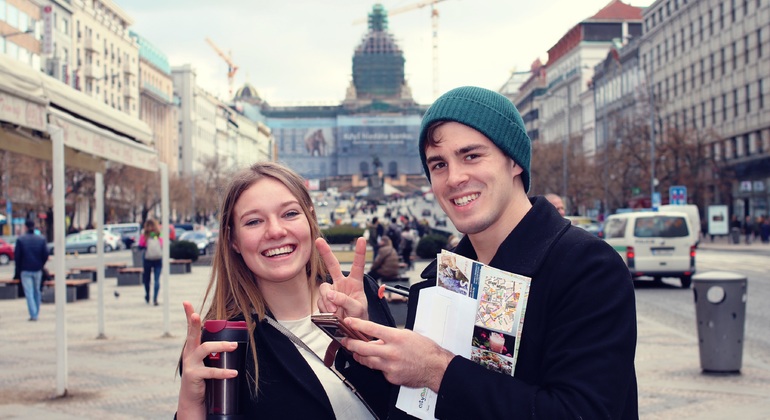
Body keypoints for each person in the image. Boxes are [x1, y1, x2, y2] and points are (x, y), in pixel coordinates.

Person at [323, 86, 638, 418]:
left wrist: (438, 369)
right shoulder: (441, 278)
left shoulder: (586, 267)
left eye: (471, 155)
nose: (455, 177)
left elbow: (584, 412)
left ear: (514, 160)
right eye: (439, 164)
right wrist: (363, 340)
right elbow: (414, 407)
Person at [176, 162, 395, 419]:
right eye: (254, 221)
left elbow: (409, 401)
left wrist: (364, 338)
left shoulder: (360, 294)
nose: (276, 231)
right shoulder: (225, 342)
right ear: (233, 239)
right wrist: (190, 404)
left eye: (290, 214)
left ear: (310, 219)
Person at [13, 219, 49, 321]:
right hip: (37, 269)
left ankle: (34, 315)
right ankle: (36, 312)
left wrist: (18, 270)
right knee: (37, 291)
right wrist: (41, 264)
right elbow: (46, 254)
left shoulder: (21, 240)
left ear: (25, 227)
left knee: (29, 292)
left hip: (25, 269)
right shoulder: (41, 239)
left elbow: (17, 257)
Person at [138, 219, 163, 305]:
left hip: (147, 259)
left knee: (147, 279)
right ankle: (155, 298)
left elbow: (140, 246)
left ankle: (148, 295)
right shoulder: (159, 235)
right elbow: (163, 244)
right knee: (157, 280)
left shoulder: (144, 235)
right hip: (158, 259)